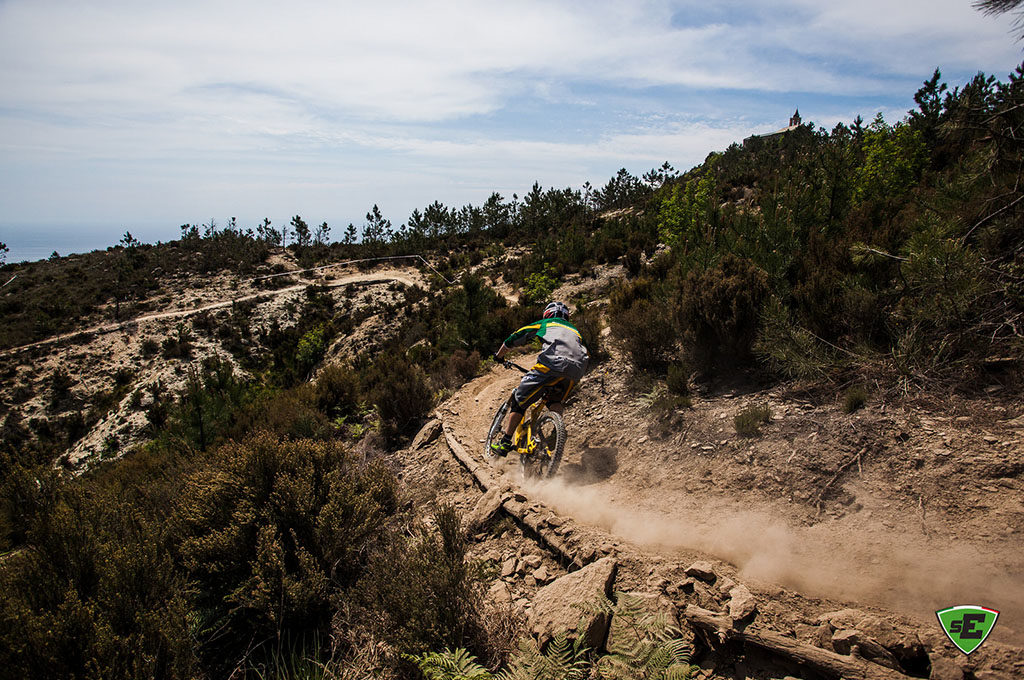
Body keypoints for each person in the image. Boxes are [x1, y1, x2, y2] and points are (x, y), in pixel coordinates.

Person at [490, 301, 589, 457]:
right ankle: (557, 432)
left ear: (548, 314)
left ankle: (505, 442)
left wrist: (499, 356)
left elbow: (516, 336)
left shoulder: (546, 324)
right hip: (577, 369)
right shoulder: (575, 331)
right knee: (554, 401)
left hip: (552, 365)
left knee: (519, 400)